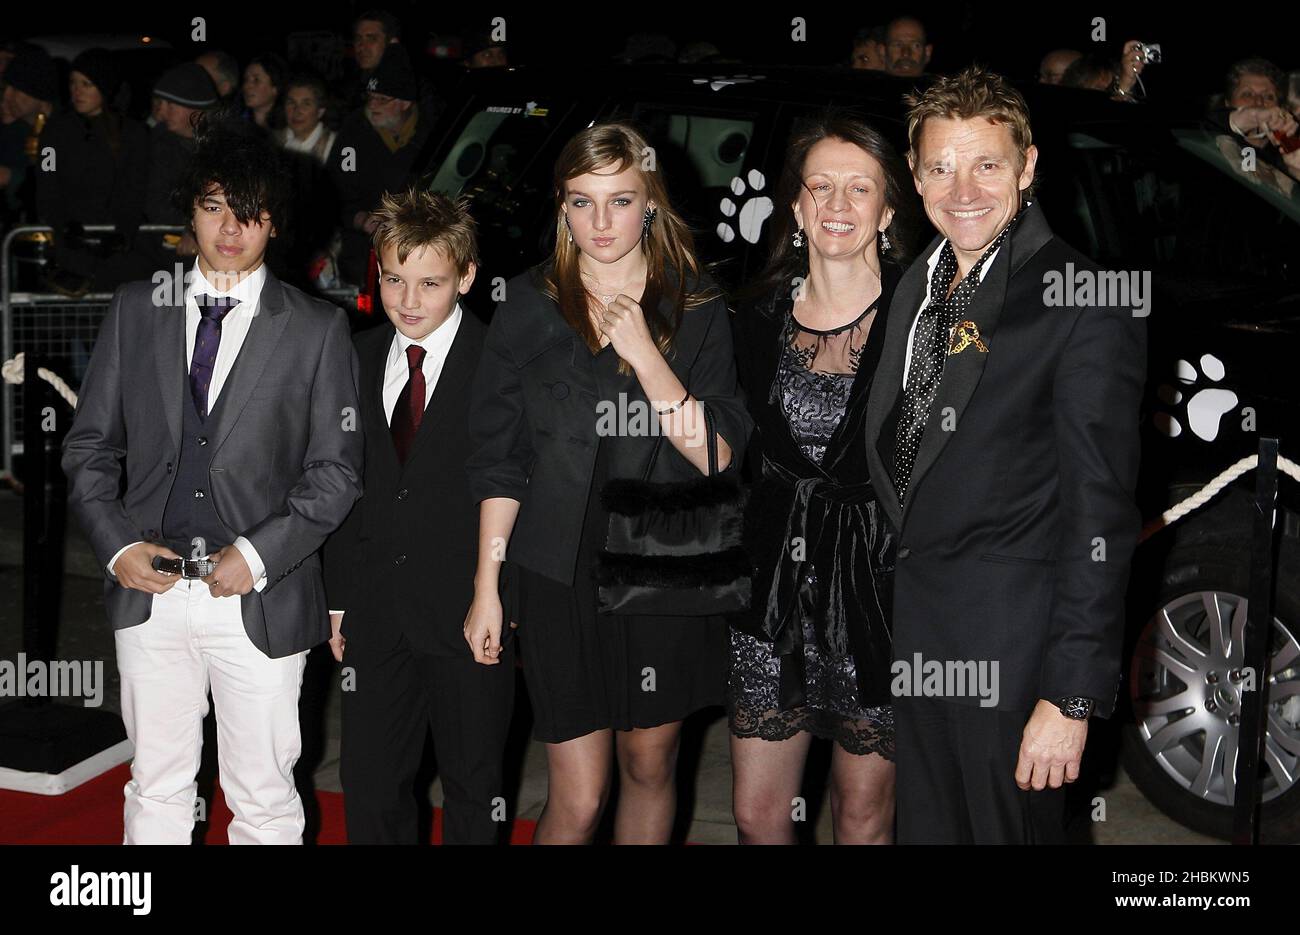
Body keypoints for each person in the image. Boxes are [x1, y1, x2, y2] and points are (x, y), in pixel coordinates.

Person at [61, 117, 364, 844]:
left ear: (276, 220)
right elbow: (89, 448)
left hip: (260, 598)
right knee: (156, 786)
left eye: (250, 208)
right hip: (149, 589)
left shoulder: (317, 328)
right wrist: (117, 547)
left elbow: (337, 471)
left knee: (261, 798)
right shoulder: (138, 309)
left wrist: (256, 556)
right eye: (213, 205)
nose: (231, 227)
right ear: (189, 209)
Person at [862, 67, 1146, 844]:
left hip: (1015, 661)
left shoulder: (1087, 300)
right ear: (914, 176)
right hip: (917, 645)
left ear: (1026, 166)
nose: (963, 190)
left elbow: (1101, 517)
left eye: (987, 164)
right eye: (941, 167)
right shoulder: (915, 284)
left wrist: (1071, 696)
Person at [464, 122, 752, 844]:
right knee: (579, 792)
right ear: (560, 206)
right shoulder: (528, 303)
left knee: (651, 764)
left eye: (620, 201)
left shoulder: (696, 303)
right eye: (581, 201)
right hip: (555, 567)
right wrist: (485, 585)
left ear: (650, 203)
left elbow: (718, 453)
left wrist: (648, 358)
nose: (601, 222)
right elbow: (500, 458)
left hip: (663, 560)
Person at [729, 114, 913, 844]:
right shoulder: (753, 316)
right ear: (798, 208)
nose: (838, 203)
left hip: (881, 587)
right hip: (772, 580)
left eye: (859, 187)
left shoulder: (923, 319)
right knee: (755, 814)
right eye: (821, 187)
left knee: (862, 815)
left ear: (888, 210)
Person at [322, 189, 514, 844]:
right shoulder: (352, 353)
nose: (408, 299)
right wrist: (339, 598)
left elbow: (523, 485)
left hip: (470, 608)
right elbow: (341, 484)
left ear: (466, 275)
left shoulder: (502, 363)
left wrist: (503, 595)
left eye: (430, 282)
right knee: (370, 786)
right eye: (394, 278)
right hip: (375, 608)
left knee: (473, 785)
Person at [36, 49, 149, 294]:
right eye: (73, 83)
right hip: (71, 252)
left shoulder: (132, 134)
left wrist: (123, 234)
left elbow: (136, 187)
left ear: (104, 87)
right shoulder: (55, 132)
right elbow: (46, 185)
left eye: (86, 84)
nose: (77, 91)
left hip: (117, 253)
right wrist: (62, 225)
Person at [330, 46, 430, 287]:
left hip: (420, 252)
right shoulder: (353, 133)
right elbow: (332, 191)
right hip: (362, 256)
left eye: (382, 100)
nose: (373, 105)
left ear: (405, 103)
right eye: (370, 97)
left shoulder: (431, 134)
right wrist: (359, 218)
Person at [0, 43, 57, 218]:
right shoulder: (12, 130)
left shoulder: (58, 134)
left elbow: (50, 182)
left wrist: (12, 178)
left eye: (16, 90)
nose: (7, 96)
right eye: (7, 88)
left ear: (39, 97)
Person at [279, 72, 336, 163]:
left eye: (306, 104)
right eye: (291, 103)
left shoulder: (334, 147)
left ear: (320, 111)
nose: (297, 111)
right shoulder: (276, 141)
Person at [242, 54, 287, 130]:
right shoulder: (237, 124)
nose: (246, 86)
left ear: (275, 88)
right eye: (246, 80)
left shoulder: (290, 128)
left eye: (256, 80)